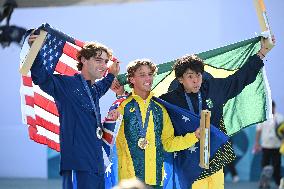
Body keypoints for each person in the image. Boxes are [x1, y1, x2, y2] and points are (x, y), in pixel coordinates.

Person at [158, 36, 275, 189]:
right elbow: (146, 101)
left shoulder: (213, 88)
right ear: (180, 79)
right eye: (190, 76)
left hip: (215, 157)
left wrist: (262, 53)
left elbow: (238, 79)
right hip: (190, 163)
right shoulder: (170, 100)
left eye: (198, 75)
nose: (196, 80)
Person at [28, 33, 120, 189]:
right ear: (83, 60)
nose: (103, 65)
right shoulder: (66, 84)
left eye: (105, 61)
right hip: (77, 165)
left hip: (97, 164)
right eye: (98, 60)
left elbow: (103, 86)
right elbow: (41, 78)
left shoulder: (93, 90)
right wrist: (35, 51)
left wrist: (111, 75)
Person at [109, 59, 201, 189]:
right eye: (142, 74)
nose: (148, 78)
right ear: (132, 79)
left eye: (150, 74)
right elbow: (109, 138)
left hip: (156, 180)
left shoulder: (160, 109)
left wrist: (194, 136)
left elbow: (168, 143)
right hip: (129, 181)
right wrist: (118, 102)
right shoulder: (122, 106)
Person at [254, 100, 284, 188]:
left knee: (276, 166)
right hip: (265, 146)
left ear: (274, 107)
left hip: (277, 146)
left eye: (272, 107)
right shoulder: (262, 117)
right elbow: (258, 131)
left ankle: (279, 184)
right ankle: (264, 183)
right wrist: (256, 143)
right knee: (265, 167)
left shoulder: (281, 117)